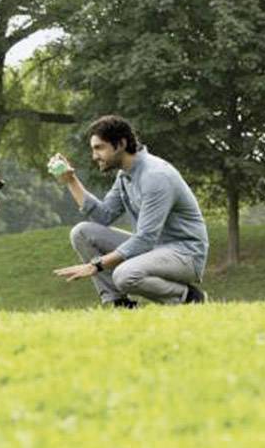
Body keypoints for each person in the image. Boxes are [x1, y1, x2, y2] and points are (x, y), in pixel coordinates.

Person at [52, 115, 209, 307]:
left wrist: (96, 265)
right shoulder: (125, 175)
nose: (94, 156)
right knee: (82, 232)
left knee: (124, 275)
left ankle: (189, 297)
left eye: (99, 148)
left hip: (185, 254)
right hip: (153, 249)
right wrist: (71, 180)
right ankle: (119, 303)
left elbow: (145, 239)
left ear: (121, 144)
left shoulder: (155, 176)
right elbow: (104, 216)